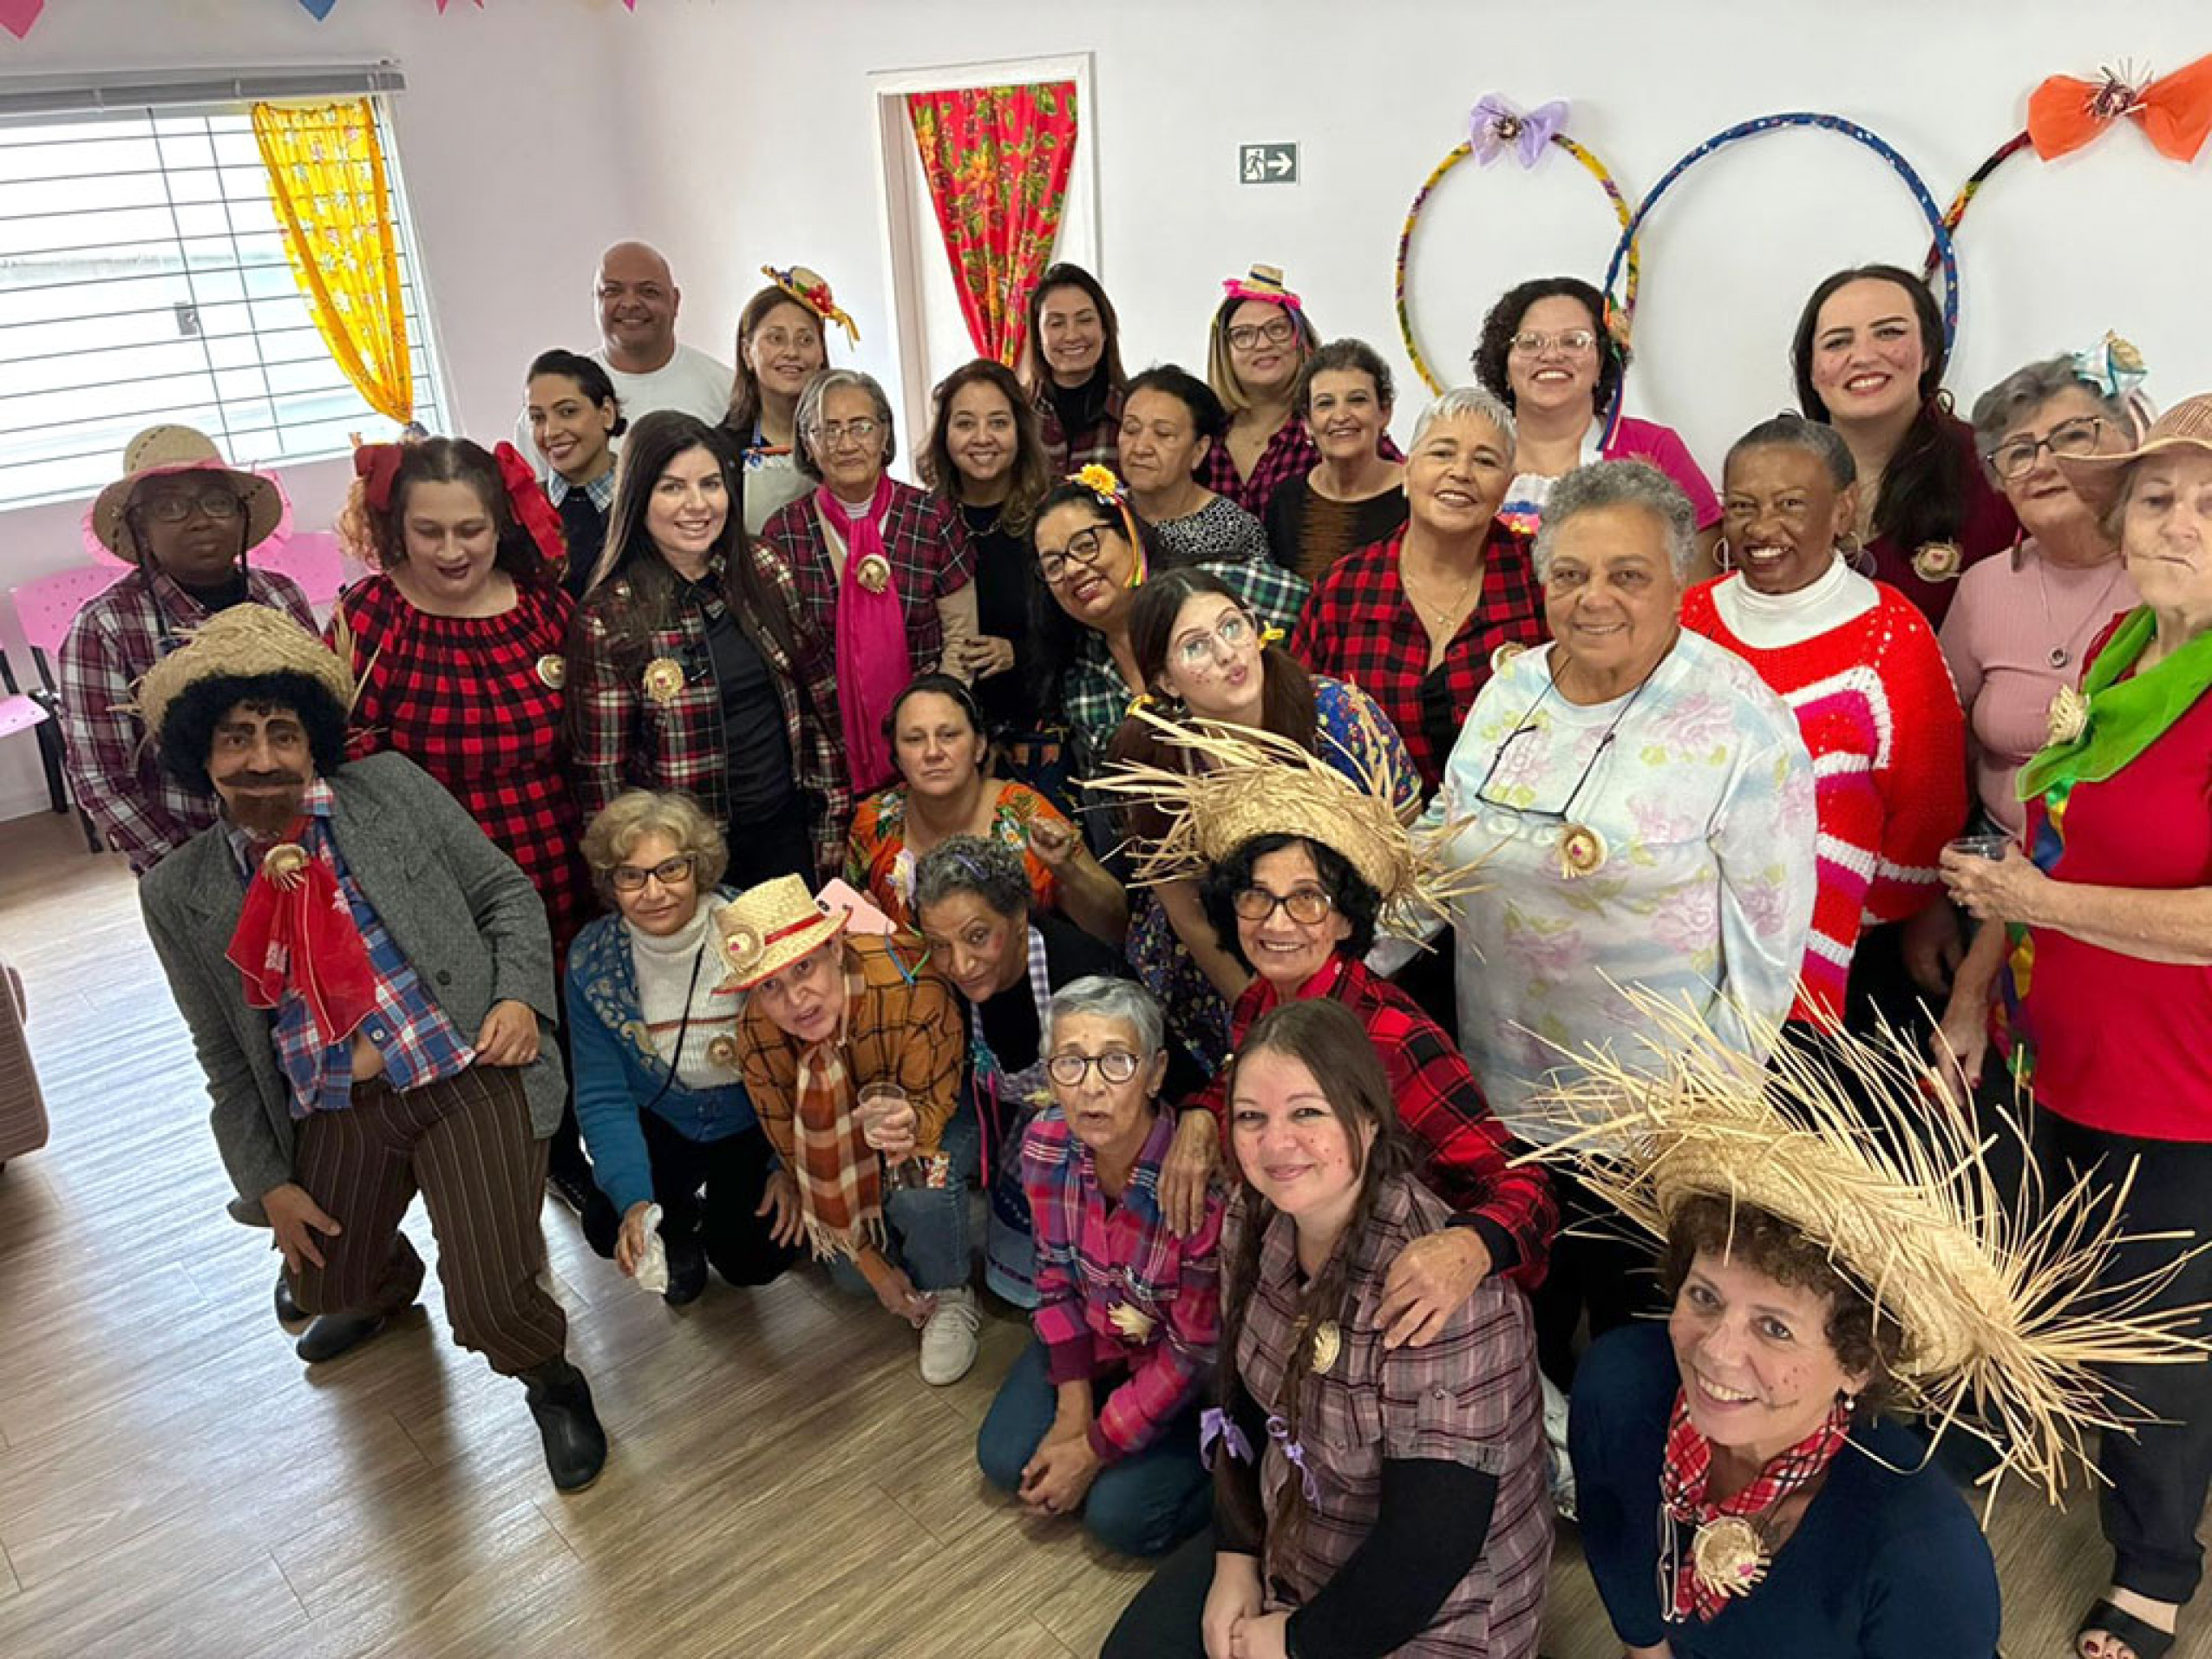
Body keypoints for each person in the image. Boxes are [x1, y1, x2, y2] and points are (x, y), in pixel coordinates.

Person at [1535, 1000, 2204, 1659]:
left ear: (1859, 1361)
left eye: (1774, 1326)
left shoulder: (1917, 1549)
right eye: (1705, 1296)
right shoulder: (1622, 1386)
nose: (1715, 1349)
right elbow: (1623, 1554)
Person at [134, 607, 608, 1491]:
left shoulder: (390, 788)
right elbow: (225, 1059)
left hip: (464, 1070)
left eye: (283, 732)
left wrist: (515, 997)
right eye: (236, 737)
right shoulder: (179, 891)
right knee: (322, 1281)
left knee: (493, 1300)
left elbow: (505, 892)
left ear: (315, 742)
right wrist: (267, 1185)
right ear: (202, 755)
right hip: (336, 1101)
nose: (263, 756)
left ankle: (551, 1377)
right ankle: (386, 1286)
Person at [1409, 459, 1816, 1386]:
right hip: (1501, 1090)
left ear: (1682, 581)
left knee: (1638, 1346)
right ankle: (1526, 1493)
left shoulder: (1743, 722)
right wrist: (1351, 942)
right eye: (1570, 573)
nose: (1595, 598)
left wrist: (1698, 1129)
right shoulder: (1513, 691)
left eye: (1627, 574)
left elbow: (1765, 955)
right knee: (1519, 1318)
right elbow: (1444, 837)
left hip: (1649, 1117)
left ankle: (1639, 1514)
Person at [1939, 394, 2212, 1659]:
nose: (2177, 520)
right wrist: (1968, 990)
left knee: (2155, 1338)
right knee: (2051, 1282)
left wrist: (2036, 899)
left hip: (2180, 1081)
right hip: (2057, 1052)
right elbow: (2033, 834)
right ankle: (2032, 1444)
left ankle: (2155, 1570)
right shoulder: (2116, 653)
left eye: (2210, 500)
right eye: (2156, 495)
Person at [1103, 998, 1553, 1659]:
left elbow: (1428, 1548)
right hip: (1294, 1543)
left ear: (1368, 1121)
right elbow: (1240, 1402)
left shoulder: (1437, 1287)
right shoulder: (1252, 1219)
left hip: (1435, 1615)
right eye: (1251, 1117)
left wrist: (1294, 1641)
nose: (1275, 1143)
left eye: (1307, 1112)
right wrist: (1235, 1553)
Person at [1095, 702, 1558, 1314]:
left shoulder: (1389, 1034)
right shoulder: (1261, 1002)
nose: (1278, 922)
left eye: (1307, 899)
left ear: (1345, 919)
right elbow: (1252, 1081)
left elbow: (1527, 1188)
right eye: (1257, 897)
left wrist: (1468, 1247)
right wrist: (1206, 1111)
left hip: (1402, 1302)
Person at [1680, 415, 1966, 1029]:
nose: (1762, 528)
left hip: (1844, 969)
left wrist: (1885, 909)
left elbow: (1928, 806)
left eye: (1790, 504)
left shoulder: (1891, 635)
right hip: (1686, 962)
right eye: (1742, 506)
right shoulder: (1689, 619)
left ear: (1843, 510)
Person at [1101, 567, 1417, 1075]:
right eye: (1196, 646)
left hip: (1350, 953)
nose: (1228, 653)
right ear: (1164, 680)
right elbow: (1189, 915)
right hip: (1219, 974)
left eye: (1232, 627)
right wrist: (1268, 1015)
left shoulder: (1339, 718)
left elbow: (1403, 839)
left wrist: (1339, 985)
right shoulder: (1154, 762)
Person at [975, 975, 1221, 1557]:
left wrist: (1092, 1448)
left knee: (1119, 1521)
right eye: (1069, 1062)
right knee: (1004, 1461)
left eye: (1116, 1062)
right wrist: (1073, 1411)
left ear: (1156, 1073)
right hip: (1099, 1342)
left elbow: (1192, 1352)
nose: (1091, 1089)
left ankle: (1233, 1483)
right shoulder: (1044, 1142)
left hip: (1184, 1377)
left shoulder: (1199, 1193)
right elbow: (1055, 1283)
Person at [912, 836, 1202, 1307]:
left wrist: (1199, 1120)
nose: (959, 964)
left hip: (1107, 1146)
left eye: (977, 936)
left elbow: (1181, 1077)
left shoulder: (1084, 973)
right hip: (1029, 1140)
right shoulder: (939, 985)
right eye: (939, 945)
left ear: (1020, 915)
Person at [568, 410, 847, 887]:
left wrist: (833, 813)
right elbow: (603, 779)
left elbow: (818, 703)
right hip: (681, 862)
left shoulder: (765, 567)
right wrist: (631, 879)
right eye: (672, 487)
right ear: (638, 497)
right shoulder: (607, 617)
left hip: (785, 831)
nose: (697, 505)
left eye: (711, 484)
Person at [724, 874, 981, 1383]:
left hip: (940, 1113)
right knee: (851, 1280)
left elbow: (936, 1103)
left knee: (920, 1187)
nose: (797, 1001)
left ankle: (951, 1289)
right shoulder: (756, 1036)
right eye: (770, 986)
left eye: (804, 968)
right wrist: (871, 1265)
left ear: (836, 947)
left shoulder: (912, 985)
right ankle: (906, 1253)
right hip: (845, 1147)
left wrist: (910, 1130)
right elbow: (795, 1151)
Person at [567, 791, 801, 1304]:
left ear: (699, 867)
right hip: (664, 1117)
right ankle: (678, 1231)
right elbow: (603, 1094)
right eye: (632, 875)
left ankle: (721, 1220)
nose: (654, 892)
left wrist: (790, 1165)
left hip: (758, 1118)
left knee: (755, 1254)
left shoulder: (755, 928)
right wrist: (634, 1203)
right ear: (611, 883)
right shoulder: (592, 958)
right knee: (607, 1219)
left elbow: (811, 1056)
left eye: (670, 869)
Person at [59, 425, 316, 873]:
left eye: (217, 502)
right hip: (191, 852)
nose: (200, 520)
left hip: (309, 840)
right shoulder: (105, 626)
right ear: (140, 526)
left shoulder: (281, 597)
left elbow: (323, 724)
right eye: (171, 506)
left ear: (242, 516)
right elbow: (102, 779)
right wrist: (201, 869)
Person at [1292, 386, 1546, 797]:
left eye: (1485, 461)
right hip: (1369, 835)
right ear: (1407, 473)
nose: (1461, 472)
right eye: (1442, 453)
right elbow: (1295, 726)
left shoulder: (1541, 584)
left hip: (1512, 839)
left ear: (1506, 488)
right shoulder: (1342, 590)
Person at [1942, 341, 2146, 838]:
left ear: (2130, 443)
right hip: (2001, 860)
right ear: (1999, 481)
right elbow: (1942, 737)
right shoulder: (1981, 588)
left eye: (2073, 437)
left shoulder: (2176, 575)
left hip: (2142, 876)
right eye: (2019, 452)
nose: (2044, 463)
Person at [758, 368, 978, 797]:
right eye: (828, 430)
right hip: (827, 754)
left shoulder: (931, 516)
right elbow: (781, 661)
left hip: (934, 747)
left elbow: (961, 638)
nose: (845, 444)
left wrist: (926, 730)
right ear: (807, 442)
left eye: (861, 427)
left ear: (884, 434)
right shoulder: (782, 533)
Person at [1027, 467, 1306, 789]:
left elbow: (1323, 612)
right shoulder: (1080, 674)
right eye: (1054, 565)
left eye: (1086, 545)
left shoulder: (1218, 589)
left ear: (1129, 533)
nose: (1073, 568)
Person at [1790, 263, 2018, 626]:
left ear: (1928, 353)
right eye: (1837, 342)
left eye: (1889, 333)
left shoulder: (1995, 470)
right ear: (1812, 370)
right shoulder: (1773, 473)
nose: (1863, 356)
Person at [843, 672, 1125, 938]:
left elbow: (1114, 926)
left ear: (979, 746)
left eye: (949, 735)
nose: (932, 753)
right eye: (914, 740)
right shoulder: (875, 820)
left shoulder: (1024, 812)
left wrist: (1069, 873)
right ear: (896, 758)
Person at [1473, 274, 1720, 561]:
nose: (1552, 355)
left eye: (1574, 341)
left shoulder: (1653, 447)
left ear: (1602, 361)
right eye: (1530, 343)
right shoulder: (1472, 450)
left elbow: (1700, 574)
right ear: (1504, 363)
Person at [915, 358, 1054, 745]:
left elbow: (1083, 631)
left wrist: (1019, 653)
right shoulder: (924, 522)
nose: (982, 437)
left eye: (998, 422)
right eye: (964, 423)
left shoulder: (1052, 517)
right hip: (945, 736)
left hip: (1038, 727)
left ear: (1020, 432)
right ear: (944, 434)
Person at [513, 240, 733, 475]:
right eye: (612, 291)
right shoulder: (551, 405)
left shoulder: (727, 391)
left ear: (675, 301)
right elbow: (530, 502)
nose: (629, 303)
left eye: (648, 291)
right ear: (596, 302)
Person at [1201, 264, 1398, 522]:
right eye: (1244, 335)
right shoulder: (1203, 434)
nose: (1263, 344)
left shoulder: (1336, 427)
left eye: (1278, 329)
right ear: (1223, 351)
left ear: (1301, 339)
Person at [1264, 338, 1409, 583]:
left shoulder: (1416, 495)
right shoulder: (1285, 499)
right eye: (1325, 404)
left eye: (1357, 400)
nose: (1341, 416)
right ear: (1307, 423)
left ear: (1384, 412)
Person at [724, 265, 855, 534]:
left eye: (806, 340)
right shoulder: (721, 450)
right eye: (776, 339)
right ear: (748, 353)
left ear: (821, 354)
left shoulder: (849, 440)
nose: (792, 352)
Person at [1116, 365, 1273, 567]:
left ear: (1199, 449)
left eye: (1163, 434)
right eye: (1131, 430)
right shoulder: (1102, 513)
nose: (1140, 448)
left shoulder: (1235, 530)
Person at [524, 350, 624, 603]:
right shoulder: (524, 511)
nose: (551, 431)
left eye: (568, 412)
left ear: (607, 414)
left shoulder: (647, 498)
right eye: (538, 418)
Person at [1021, 261, 1129, 478]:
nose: (1072, 335)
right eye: (1056, 323)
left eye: (1085, 320)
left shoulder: (1130, 410)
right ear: (1039, 338)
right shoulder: (1018, 411)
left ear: (1105, 329)